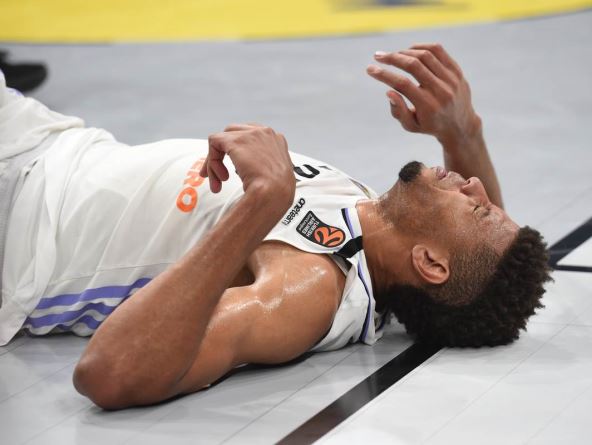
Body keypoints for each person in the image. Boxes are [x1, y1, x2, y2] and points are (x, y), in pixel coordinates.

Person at [0, 43, 551, 410]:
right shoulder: (374, 224)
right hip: (49, 143)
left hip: (20, 223)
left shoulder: (310, 289)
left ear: (429, 262)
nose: (475, 185)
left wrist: (263, 201)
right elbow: (487, 269)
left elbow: (107, 374)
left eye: (478, 207)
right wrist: (463, 131)